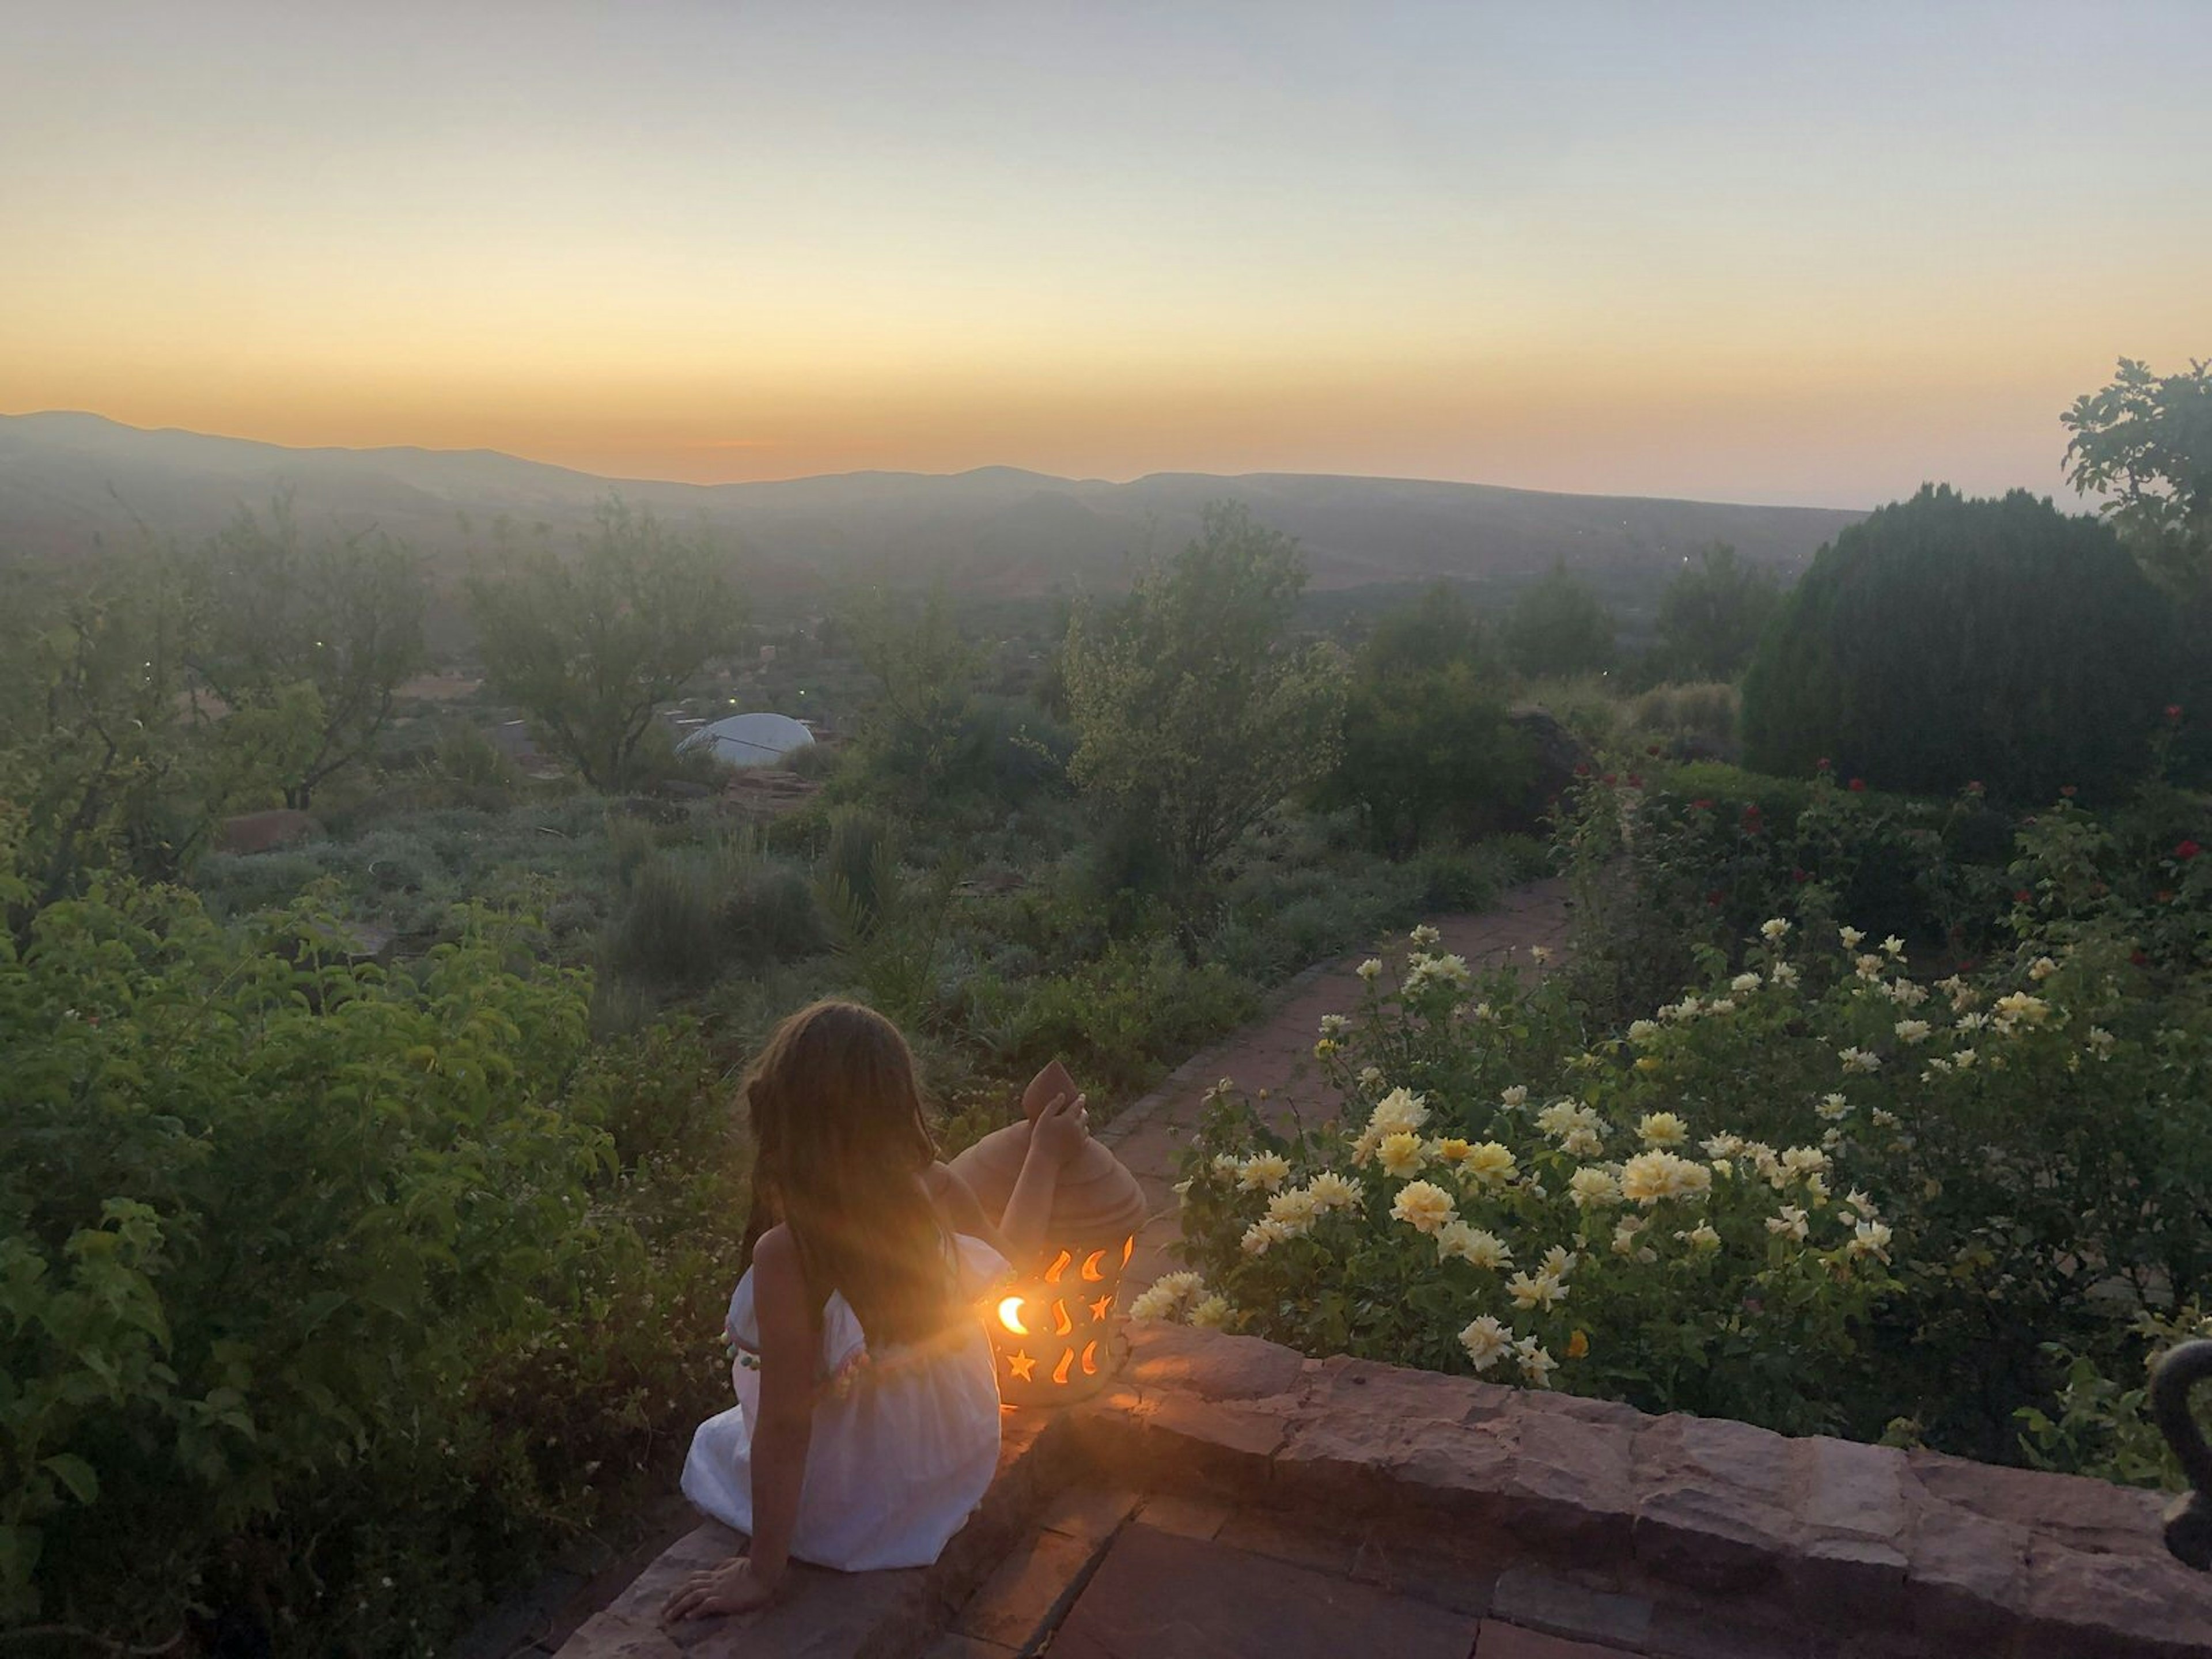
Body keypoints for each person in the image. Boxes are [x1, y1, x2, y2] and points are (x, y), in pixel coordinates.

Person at [662, 1001, 1088, 1622]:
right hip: (949, 1460)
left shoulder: (788, 1253)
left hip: (855, 1505)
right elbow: (1015, 1262)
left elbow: (785, 1426)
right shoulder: (933, 1188)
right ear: (898, 1109)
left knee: (717, 1449)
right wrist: (1044, 1154)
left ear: (780, 1113)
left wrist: (762, 1569)